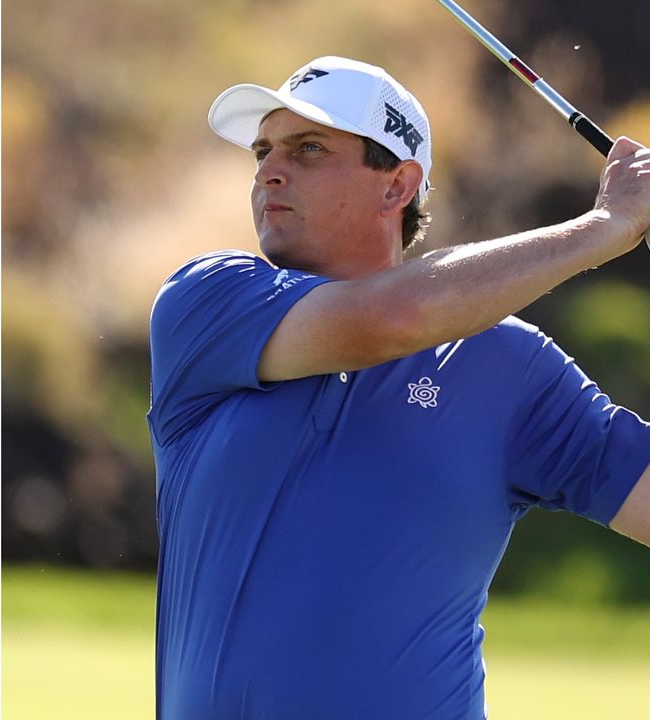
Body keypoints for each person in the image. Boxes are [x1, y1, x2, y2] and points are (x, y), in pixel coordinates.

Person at [148, 55, 650, 719]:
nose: (270, 169)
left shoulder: (513, 368)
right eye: (265, 150)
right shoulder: (207, 303)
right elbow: (392, 317)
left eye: (309, 148)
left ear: (397, 188)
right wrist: (605, 228)